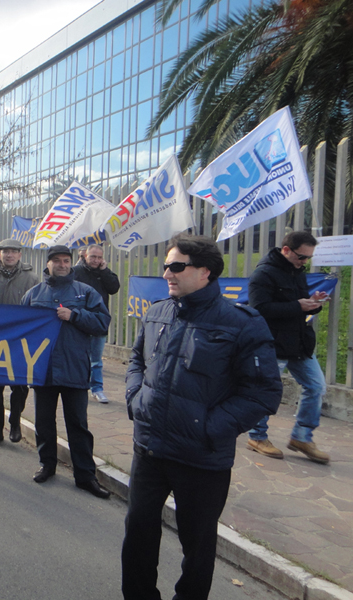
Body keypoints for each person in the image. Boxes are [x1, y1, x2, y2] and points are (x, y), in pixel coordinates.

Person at [122, 234, 282, 600]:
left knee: (197, 546)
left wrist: (210, 428)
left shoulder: (242, 323)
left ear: (205, 272)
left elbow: (264, 390)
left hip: (201, 458)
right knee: (138, 533)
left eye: (177, 266)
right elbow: (136, 359)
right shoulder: (157, 311)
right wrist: (135, 399)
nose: (167, 273)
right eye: (165, 265)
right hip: (149, 449)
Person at [21, 245, 111, 498]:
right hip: (44, 370)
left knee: (78, 425)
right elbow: (20, 330)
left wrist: (74, 315)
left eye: (66, 261)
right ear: (47, 264)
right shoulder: (33, 294)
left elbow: (103, 323)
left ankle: (85, 476)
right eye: (57, 261)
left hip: (74, 368)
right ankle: (46, 465)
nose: (62, 265)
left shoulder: (86, 293)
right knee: (44, 423)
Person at [246, 231, 331, 464]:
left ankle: (302, 437)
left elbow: (300, 305)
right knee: (267, 391)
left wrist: (314, 303)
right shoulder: (263, 274)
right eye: (302, 257)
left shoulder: (297, 272)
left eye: (308, 258)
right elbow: (259, 309)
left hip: (299, 343)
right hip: (273, 343)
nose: (304, 262)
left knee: (316, 386)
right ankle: (257, 436)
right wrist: (297, 306)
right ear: (286, 250)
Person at [0, 239, 40, 446]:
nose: (9, 255)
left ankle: (15, 422)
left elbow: (38, 308)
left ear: (20, 255)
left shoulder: (32, 278)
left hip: (21, 340)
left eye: (14, 252)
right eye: (5, 252)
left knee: (20, 386)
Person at [73, 243, 120, 404]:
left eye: (99, 257)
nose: (96, 260)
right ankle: (77, 386)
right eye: (93, 256)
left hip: (99, 320)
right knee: (78, 357)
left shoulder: (104, 272)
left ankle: (97, 389)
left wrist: (104, 271)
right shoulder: (76, 272)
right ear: (85, 256)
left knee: (96, 360)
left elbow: (114, 288)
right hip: (79, 321)